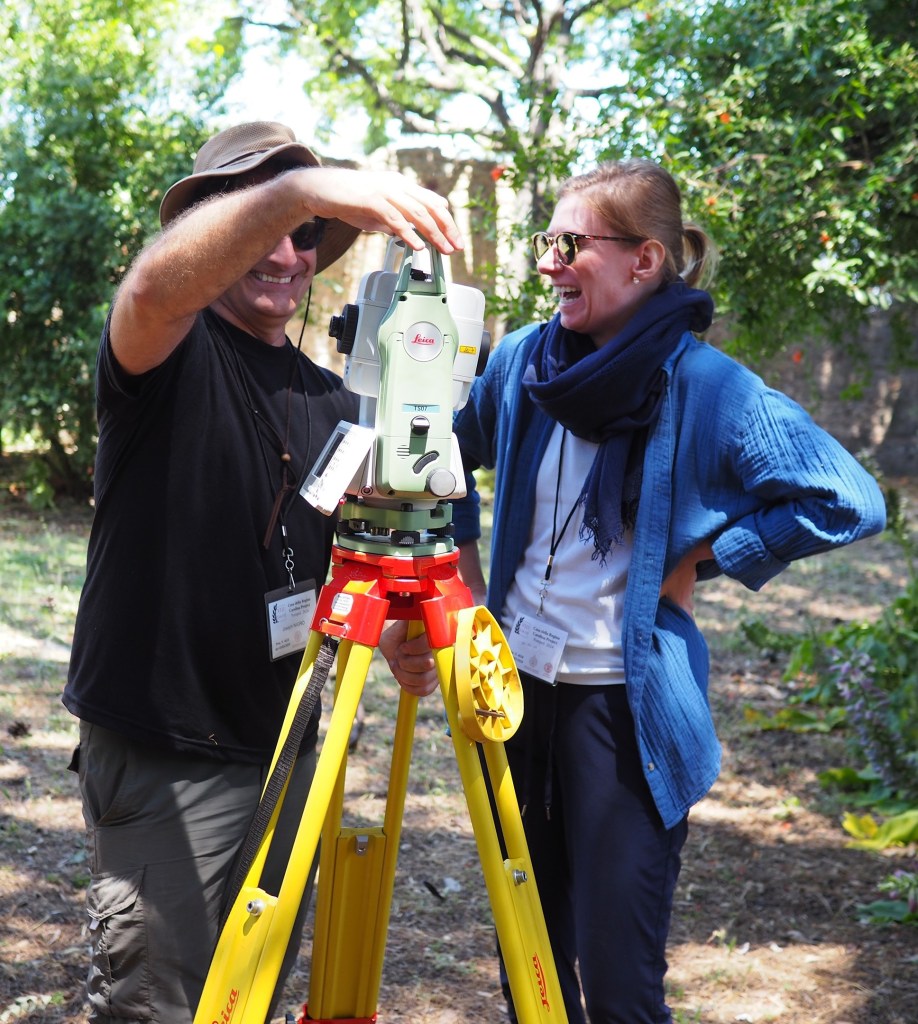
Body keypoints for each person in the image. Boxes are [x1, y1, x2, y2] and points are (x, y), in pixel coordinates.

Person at [382, 158, 887, 1023]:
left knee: (619, 986)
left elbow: (849, 499)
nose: (548, 263)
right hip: (513, 697)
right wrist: (458, 577)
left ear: (645, 261)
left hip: (623, 715)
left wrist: (709, 556)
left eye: (569, 244)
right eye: (548, 241)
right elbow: (440, 454)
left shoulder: (706, 387)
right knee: (528, 960)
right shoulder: (522, 365)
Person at [63, 120, 464, 1024]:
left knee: (246, 1002)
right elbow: (153, 287)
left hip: (287, 752)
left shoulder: (330, 400)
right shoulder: (166, 347)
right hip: (169, 751)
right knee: (158, 1008)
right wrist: (300, 191)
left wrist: (401, 631)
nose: (288, 251)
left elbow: (336, 566)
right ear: (219, 222)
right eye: (268, 222)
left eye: (309, 235)